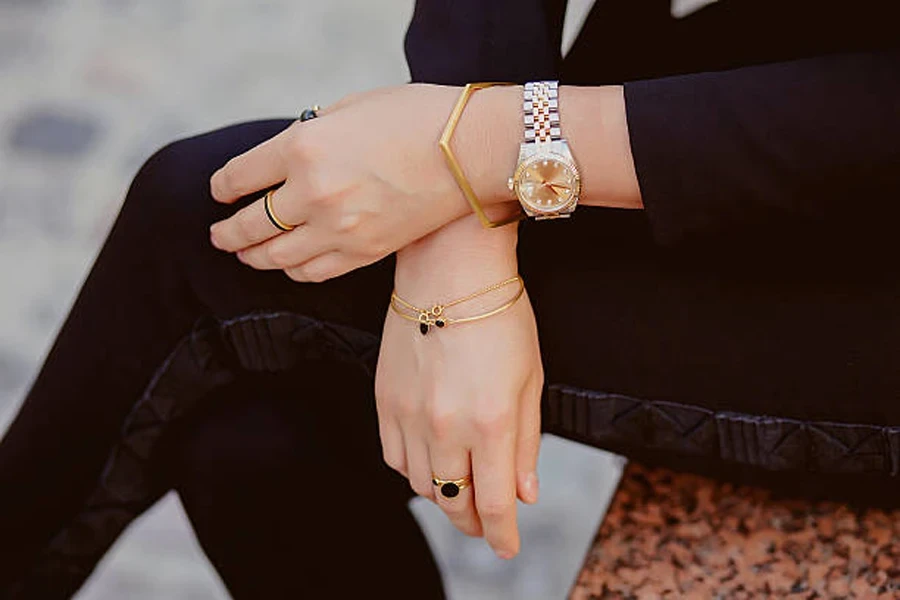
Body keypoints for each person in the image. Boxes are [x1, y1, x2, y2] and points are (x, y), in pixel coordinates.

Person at [2, 0, 899, 597]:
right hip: (794, 59)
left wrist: (476, 150)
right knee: (249, 436)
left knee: (201, 227)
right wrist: (460, 220)